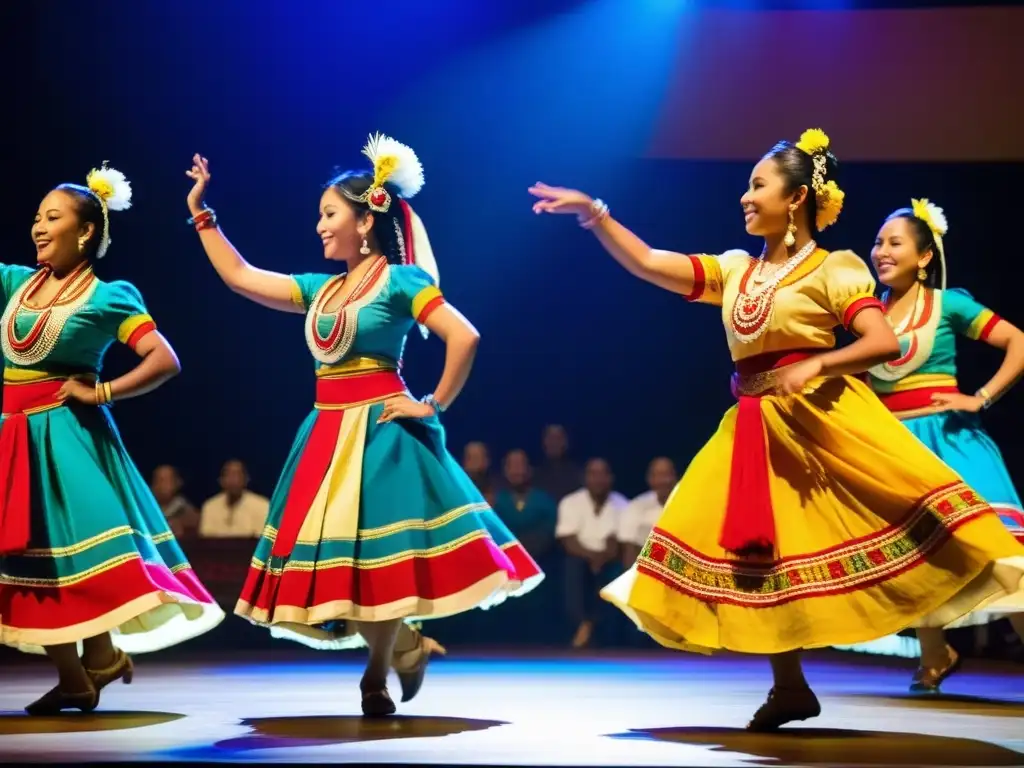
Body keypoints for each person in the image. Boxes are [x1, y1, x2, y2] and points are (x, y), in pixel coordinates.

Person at [528, 128, 1024, 730]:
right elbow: (652, 263)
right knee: (758, 555)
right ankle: (789, 686)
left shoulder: (834, 269)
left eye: (757, 185)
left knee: (864, 529)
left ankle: (919, 643)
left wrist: (819, 361)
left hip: (819, 425)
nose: (744, 195)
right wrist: (596, 214)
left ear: (795, 200)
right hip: (752, 427)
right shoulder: (737, 269)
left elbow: (881, 341)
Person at [186, 134, 544, 716]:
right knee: (341, 572)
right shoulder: (320, 290)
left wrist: (433, 403)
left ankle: (374, 677)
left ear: (366, 220)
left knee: (381, 569)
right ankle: (405, 648)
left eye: (330, 214)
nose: (320, 226)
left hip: (382, 434)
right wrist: (202, 213)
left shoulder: (401, 283)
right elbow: (242, 276)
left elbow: (465, 335)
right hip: (325, 435)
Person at [0, 165, 224, 715]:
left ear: (83, 233)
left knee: (66, 561)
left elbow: (164, 359)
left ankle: (89, 666)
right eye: (36, 217)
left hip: (68, 442)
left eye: (52, 217)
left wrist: (102, 392)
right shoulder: (14, 284)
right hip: (14, 438)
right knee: (26, 563)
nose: (38, 226)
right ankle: (84, 670)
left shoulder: (109, 297)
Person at [836, 199, 1024, 689]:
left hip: (952, 440)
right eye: (878, 242)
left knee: (1004, 551)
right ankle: (934, 657)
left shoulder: (948, 303)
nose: (881, 251)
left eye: (894, 243)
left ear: (923, 257)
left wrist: (979, 397)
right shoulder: (866, 316)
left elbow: (1018, 343)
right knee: (915, 557)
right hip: (898, 449)